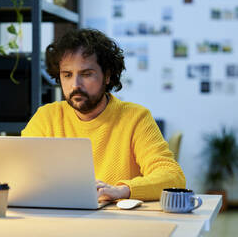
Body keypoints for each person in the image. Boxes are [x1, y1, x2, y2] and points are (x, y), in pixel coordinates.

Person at [21, 29, 185, 201]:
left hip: (118, 222)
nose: (75, 85)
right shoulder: (47, 117)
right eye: (67, 75)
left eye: (86, 74)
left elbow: (173, 177)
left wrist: (123, 190)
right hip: (60, 218)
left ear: (107, 76)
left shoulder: (135, 118)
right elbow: (18, 172)